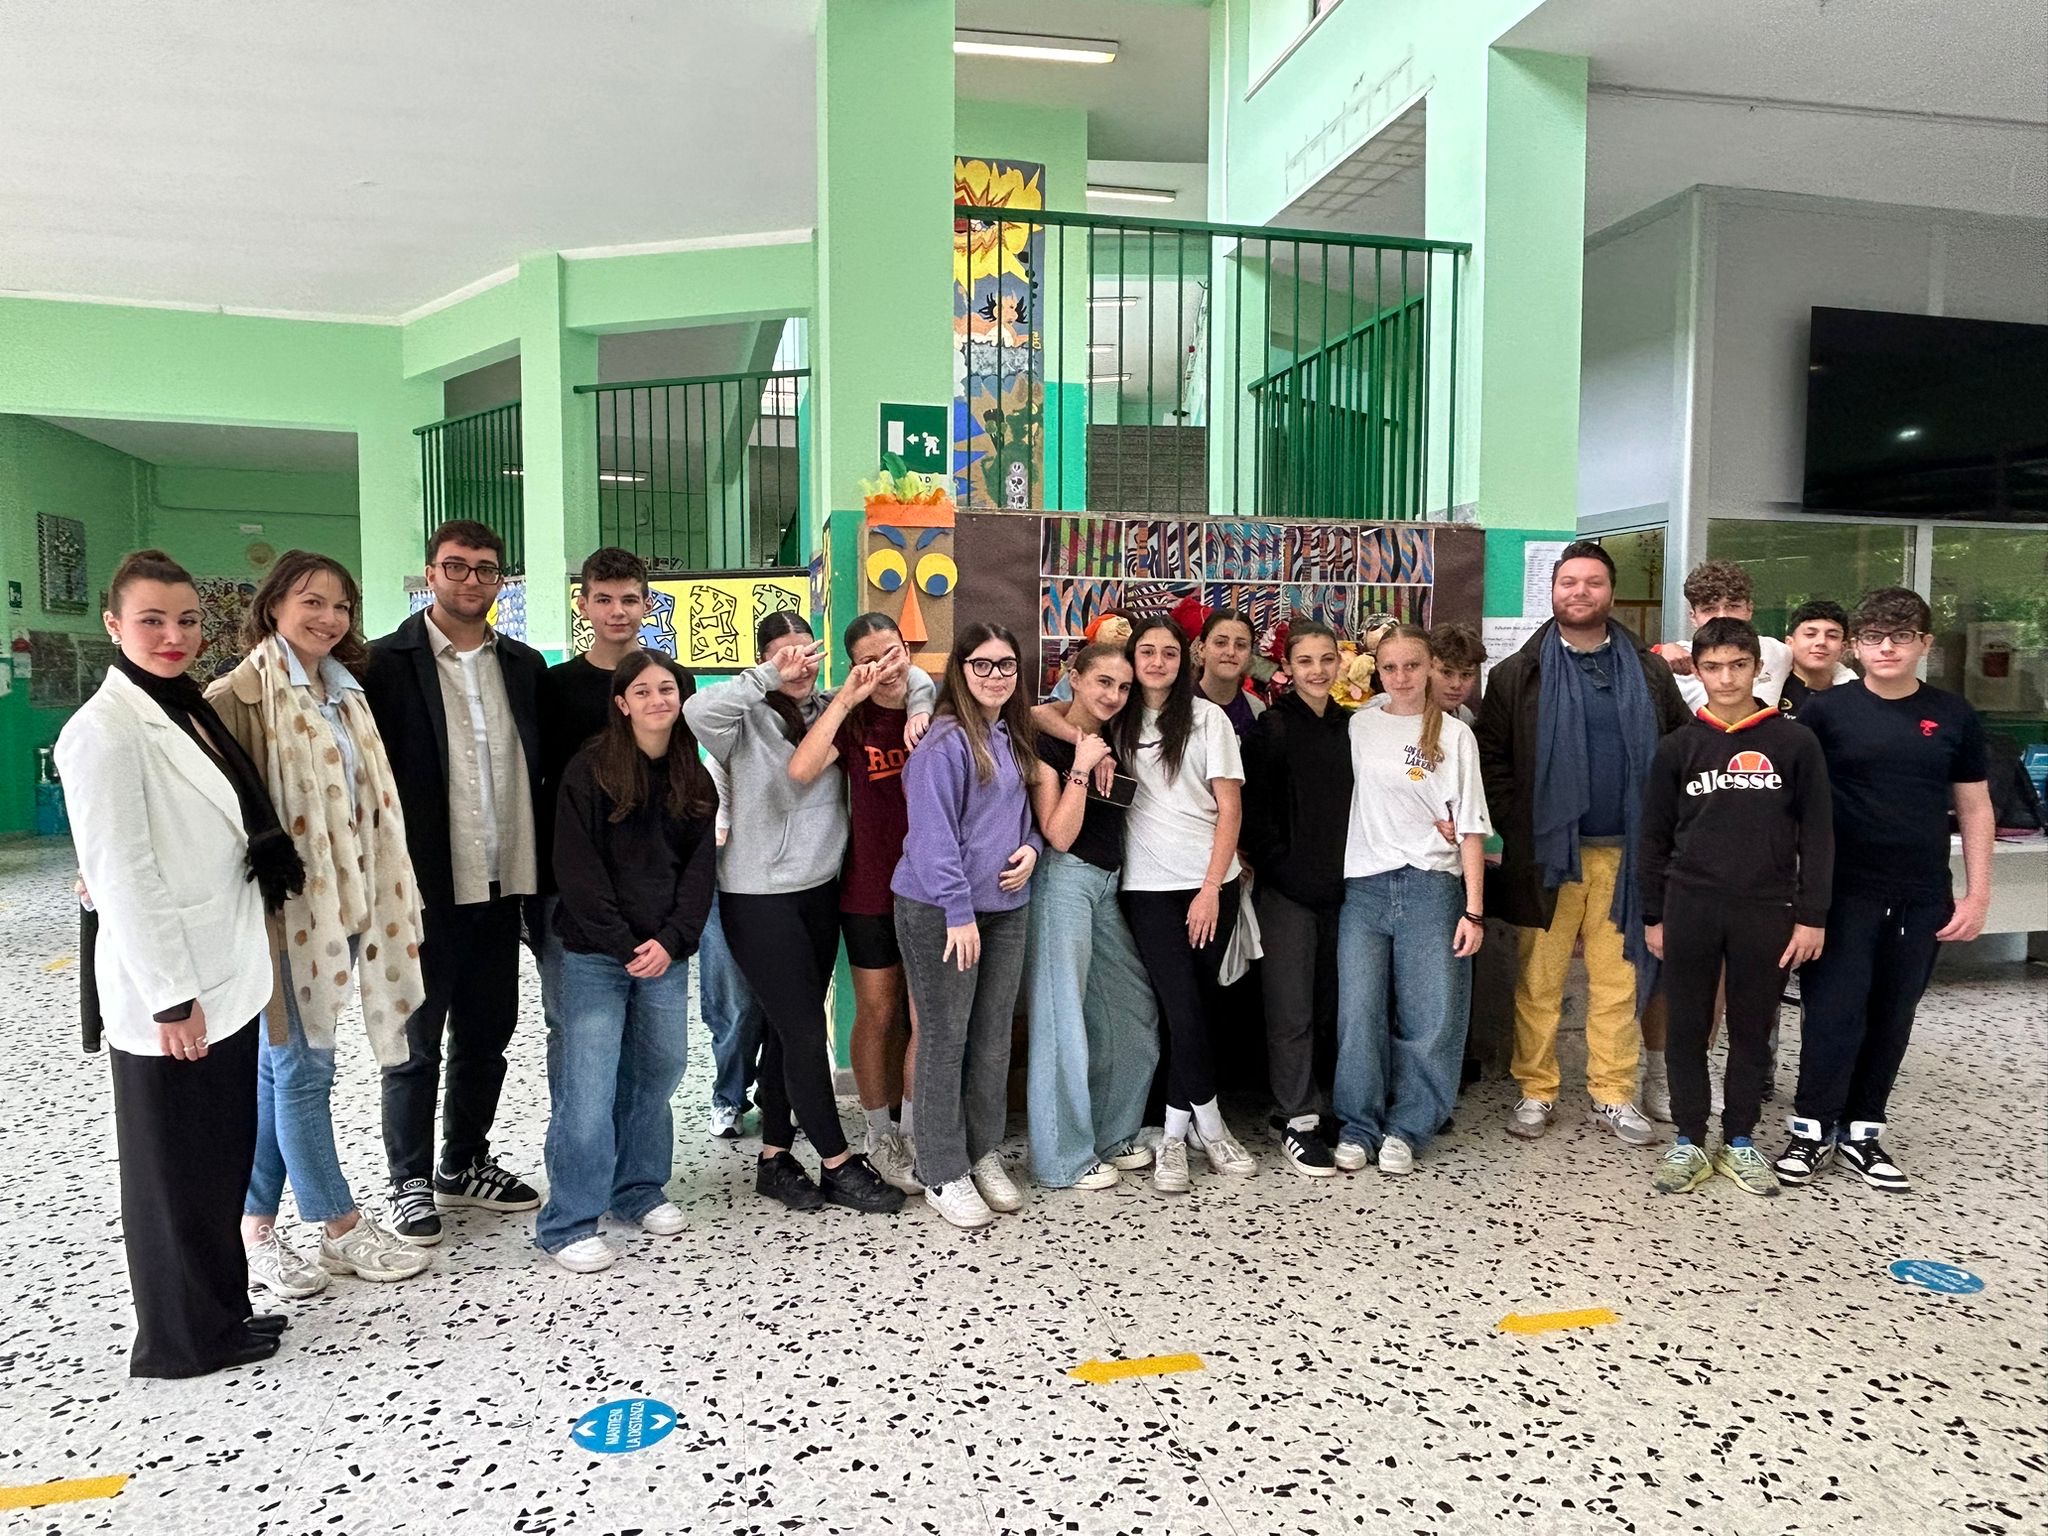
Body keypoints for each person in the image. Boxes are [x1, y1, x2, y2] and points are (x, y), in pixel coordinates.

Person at [59, 549, 306, 1376]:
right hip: (172, 989)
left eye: (187, 620)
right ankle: (179, 1339)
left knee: (216, 1159)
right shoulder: (103, 732)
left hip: (221, 968)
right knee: (173, 1173)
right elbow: (123, 876)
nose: (173, 636)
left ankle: (223, 1313)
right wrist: (170, 998)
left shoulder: (182, 705)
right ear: (113, 625)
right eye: (152, 621)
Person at [205, 552, 432, 1298]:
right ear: (273, 605)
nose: (329, 618)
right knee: (305, 1069)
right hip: (284, 913)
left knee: (279, 1073)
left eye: (341, 606)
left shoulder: (346, 693)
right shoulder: (236, 697)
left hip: (353, 900)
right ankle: (339, 1226)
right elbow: (212, 815)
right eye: (311, 601)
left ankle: (254, 1228)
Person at [682, 611, 929, 1214]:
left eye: (807, 653)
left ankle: (774, 1158)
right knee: (802, 1032)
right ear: (765, 659)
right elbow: (695, 711)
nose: (799, 665)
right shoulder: (742, 718)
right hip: (757, 895)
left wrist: (915, 698)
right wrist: (768, 676)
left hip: (820, 889)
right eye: (784, 654)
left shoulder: (830, 707)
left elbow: (914, 677)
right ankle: (838, 1163)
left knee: (781, 1029)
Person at [1775, 588, 1994, 1192]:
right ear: (1856, 646)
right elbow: (1792, 805)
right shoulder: (1825, 712)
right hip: (1843, 892)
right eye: (1873, 637)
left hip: (1922, 894)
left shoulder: (1953, 715)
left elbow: (1975, 807)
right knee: (1833, 1013)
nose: (1887, 648)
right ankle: (1811, 1129)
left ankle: (1863, 1131)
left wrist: (1977, 896)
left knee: (1893, 1015)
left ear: (1925, 644)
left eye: (1901, 637)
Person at [364, 519, 545, 1243]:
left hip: (503, 884)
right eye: (457, 566)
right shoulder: (383, 663)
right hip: (421, 890)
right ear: (431, 573)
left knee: (486, 1036)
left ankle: (463, 1161)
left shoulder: (524, 665)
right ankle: (408, 1179)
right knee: (415, 1044)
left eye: (486, 568)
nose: (472, 580)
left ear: (500, 579)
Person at [1476, 540, 1688, 1144]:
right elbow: (1492, 758)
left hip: (1629, 855)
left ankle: (1613, 1094)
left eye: (1593, 582)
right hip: (1548, 857)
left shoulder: (1648, 671)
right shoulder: (1518, 673)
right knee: (1539, 980)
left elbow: (1679, 748)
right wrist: (1522, 824)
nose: (1580, 592)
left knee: (1619, 982)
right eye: (1569, 582)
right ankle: (1536, 1089)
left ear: (1610, 592)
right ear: (1553, 591)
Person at [1639, 618, 1831, 1198]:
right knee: (1687, 1026)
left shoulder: (1794, 743)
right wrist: (1653, 916)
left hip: (1766, 907)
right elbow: (1653, 838)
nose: (1726, 678)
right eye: (1713, 667)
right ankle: (1690, 1139)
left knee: (1752, 1027)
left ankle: (1741, 1139)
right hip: (1689, 905)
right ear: (1697, 672)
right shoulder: (1678, 746)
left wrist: (1812, 916)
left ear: (1758, 668)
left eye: (1738, 665)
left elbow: (1818, 835)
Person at [540, 651, 717, 1273]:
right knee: (588, 1087)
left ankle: (637, 1189)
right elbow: (577, 870)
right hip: (595, 953)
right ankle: (567, 1221)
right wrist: (624, 944)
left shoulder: (694, 776)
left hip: (664, 953)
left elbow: (699, 873)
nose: (656, 700)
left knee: (659, 1071)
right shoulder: (589, 769)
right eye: (642, 691)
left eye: (667, 689)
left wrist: (671, 941)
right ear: (622, 703)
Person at [894, 624, 1043, 1227]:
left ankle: (980, 1152)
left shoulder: (1011, 736)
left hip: (1007, 909)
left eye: (1006, 665)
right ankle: (941, 1170)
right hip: (942, 912)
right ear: (960, 670)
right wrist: (958, 913)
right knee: (944, 1038)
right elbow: (933, 837)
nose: (995, 676)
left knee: (993, 1039)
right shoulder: (944, 743)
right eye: (982, 665)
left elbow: (1022, 816)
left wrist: (1032, 848)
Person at [1332, 625, 1491, 1174]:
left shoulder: (1456, 735)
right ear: (1377, 671)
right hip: (1365, 888)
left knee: (1430, 1015)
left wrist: (1474, 910)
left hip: (1431, 886)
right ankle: (1358, 1125)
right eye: (1390, 667)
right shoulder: (1360, 725)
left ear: (1430, 669)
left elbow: (1470, 827)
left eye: (1412, 666)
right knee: (1358, 1014)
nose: (1401, 677)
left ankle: (1409, 1125)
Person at [1115, 616, 1259, 1193]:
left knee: (1198, 1008)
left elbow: (1231, 810)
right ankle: (1209, 1125)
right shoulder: (1117, 716)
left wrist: (1210, 888)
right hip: (1147, 889)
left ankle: (1175, 1136)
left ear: (1186, 658)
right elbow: (1046, 715)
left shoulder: (1207, 719)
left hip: (1209, 886)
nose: (1157, 662)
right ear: (1132, 658)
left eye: (1169, 653)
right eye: (1146, 652)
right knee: (1182, 1009)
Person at [788, 613, 924, 1194]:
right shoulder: (853, 719)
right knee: (878, 1013)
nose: (885, 667)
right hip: (869, 889)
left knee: (926, 1017)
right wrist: (846, 699)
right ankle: (879, 1134)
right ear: (853, 667)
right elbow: (801, 770)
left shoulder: (938, 708)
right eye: (869, 660)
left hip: (932, 890)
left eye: (891, 652)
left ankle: (916, 1133)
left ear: (906, 648)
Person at [1024, 642, 1160, 1191]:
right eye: (1103, 681)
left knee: (1131, 1012)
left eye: (1123, 686)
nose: (1114, 695)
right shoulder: (1043, 740)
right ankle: (1062, 1158)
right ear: (1073, 678)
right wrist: (1081, 765)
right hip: (1062, 879)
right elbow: (1058, 834)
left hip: (1107, 884)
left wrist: (1091, 746)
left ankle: (1110, 1134)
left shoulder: (1116, 733)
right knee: (1062, 1021)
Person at [1239, 621, 1351, 1177]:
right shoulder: (1272, 728)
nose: (1317, 670)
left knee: (1333, 1005)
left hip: (1344, 891)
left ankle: (1326, 1105)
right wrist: (1288, 873)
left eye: (1326, 659)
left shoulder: (1351, 727)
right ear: (1287, 666)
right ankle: (1294, 1114)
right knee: (1291, 1009)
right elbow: (1253, 819)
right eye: (1305, 661)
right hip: (1288, 892)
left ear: (1340, 662)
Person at [698, 754, 766, 1139]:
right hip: (726, 879)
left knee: (785, 1001)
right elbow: (717, 833)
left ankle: (776, 1092)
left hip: (788, 880)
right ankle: (728, 1095)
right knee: (734, 1000)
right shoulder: (726, 746)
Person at [1193, 609, 1266, 738]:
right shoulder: (1177, 705)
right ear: (1202, 649)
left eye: (1240, 645)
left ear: (1250, 655)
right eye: (1220, 643)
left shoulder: (1257, 709)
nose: (1231, 652)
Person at [1779, 599, 1852, 720]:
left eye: (1832, 636)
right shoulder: (1770, 688)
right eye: (1810, 634)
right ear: (1790, 642)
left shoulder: (1854, 696)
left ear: (1843, 647)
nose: (1821, 642)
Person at [1427, 623, 1487, 724]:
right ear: (1427, 669)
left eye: (1466, 675)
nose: (1456, 684)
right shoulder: (1405, 717)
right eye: (1447, 672)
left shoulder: (1465, 716)